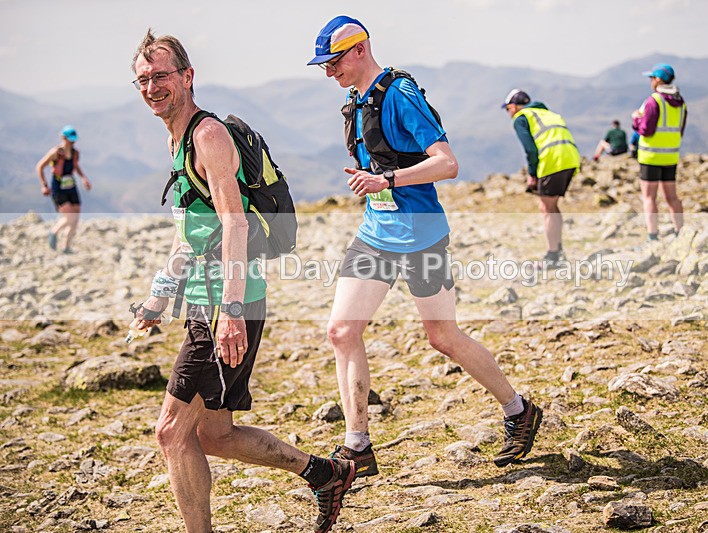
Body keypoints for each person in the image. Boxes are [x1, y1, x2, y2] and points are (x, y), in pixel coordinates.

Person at [130, 29, 354, 533]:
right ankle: (325, 473)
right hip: (211, 303)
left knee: (170, 433)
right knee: (214, 435)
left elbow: (234, 222)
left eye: (161, 75)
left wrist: (230, 311)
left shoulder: (207, 135)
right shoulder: (178, 138)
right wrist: (158, 297)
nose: (152, 86)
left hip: (225, 307)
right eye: (143, 79)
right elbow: (194, 231)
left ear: (188, 77)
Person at [307, 15, 543, 477]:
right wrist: (373, 183)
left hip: (422, 235)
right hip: (377, 233)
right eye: (324, 66)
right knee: (341, 331)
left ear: (359, 50)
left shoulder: (399, 94)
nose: (329, 72)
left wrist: (387, 178)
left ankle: (519, 411)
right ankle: (358, 446)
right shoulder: (357, 100)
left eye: (333, 62)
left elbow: (447, 163)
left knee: (443, 337)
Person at [502, 89, 580, 265]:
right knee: (552, 205)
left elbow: (530, 149)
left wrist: (532, 175)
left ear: (513, 106)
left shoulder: (521, 118)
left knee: (545, 207)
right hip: (570, 158)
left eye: (507, 109)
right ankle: (558, 251)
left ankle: (553, 256)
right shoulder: (547, 113)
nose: (508, 113)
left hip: (552, 160)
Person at [632, 63, 687, 242]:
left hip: (650, 156)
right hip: (670, 156)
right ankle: (681, 233)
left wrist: (635, 120)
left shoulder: (653, 101)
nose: (650, 81)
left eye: (651, 78)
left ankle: (652, 237)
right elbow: (680, 129)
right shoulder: (681, 103)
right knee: (672, 197)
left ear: (657, 80)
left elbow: (646, 130)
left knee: (649, 198)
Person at [35, 125, 91, 253]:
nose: (72, 141)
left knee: (75, 218)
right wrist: (44, 185)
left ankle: (66, 246)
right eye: (69, 139)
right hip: (58, 187)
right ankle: (54, 232)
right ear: (63, 138)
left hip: (71, 186)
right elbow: (40, 167)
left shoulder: (75, 153)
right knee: (69, 217)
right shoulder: (56, 153)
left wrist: (84, 178)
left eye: (73, 139)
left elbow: (76, 167)